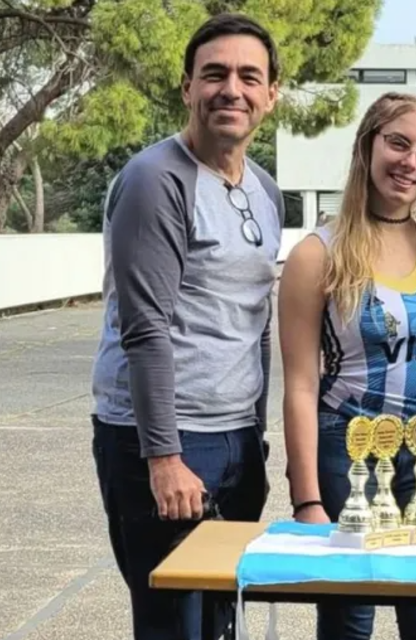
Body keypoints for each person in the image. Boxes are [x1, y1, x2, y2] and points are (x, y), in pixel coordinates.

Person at [90, 13, 282, 640]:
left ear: (271, 94)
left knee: (221, 617)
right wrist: (164, 457)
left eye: (249, 76)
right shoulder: (157, 180)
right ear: (187, 88)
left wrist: (253, 433)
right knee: (173, 624)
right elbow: (144, 329)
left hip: (234, 440)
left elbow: (254, 318)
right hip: (166, 442)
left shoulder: (264, 189)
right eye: (215, 74)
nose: (232, 89)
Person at [279, 91, 416, 640]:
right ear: (367, 146)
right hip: (348, 450)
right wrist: (306, 497)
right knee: (348, 621)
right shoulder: (319, 253)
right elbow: (300, 385)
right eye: (398, 144)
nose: (411, 162)